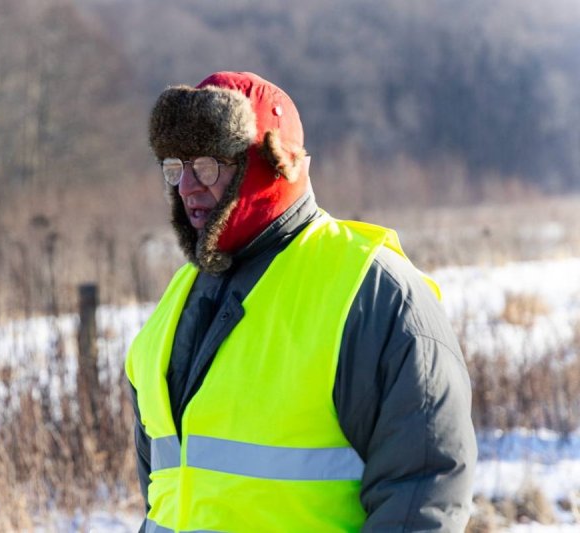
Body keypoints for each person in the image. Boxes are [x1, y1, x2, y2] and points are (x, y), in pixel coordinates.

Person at [125, 71, 476, 532]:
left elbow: (425, 490)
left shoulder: (373, 292)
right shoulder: (179, 296)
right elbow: (165, 489)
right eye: (175, 166)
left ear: (270, 163)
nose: (187, 186)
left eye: (208, 165)